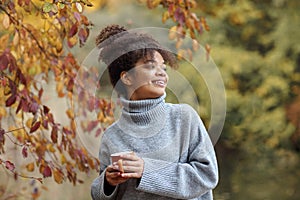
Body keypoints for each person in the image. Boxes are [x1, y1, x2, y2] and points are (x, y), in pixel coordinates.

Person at [91, 24, 218, 200]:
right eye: (151, 66)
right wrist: (107, 182)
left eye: (163, 68)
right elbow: (100, 196)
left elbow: (207, 176)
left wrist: (146, 170)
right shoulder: (111, 136)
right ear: (126, 77)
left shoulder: (183, 118)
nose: (162, 74)